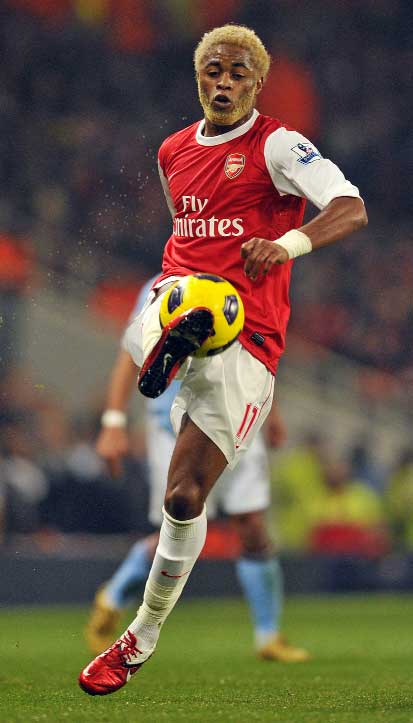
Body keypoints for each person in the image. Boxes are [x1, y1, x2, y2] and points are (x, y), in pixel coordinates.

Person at [79, 23, 367, 696]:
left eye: (238, 73)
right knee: (188, 297)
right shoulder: (173, 151)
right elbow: (186, 235)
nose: (224, 82)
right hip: (180, 291)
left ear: (257, 83)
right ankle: (179, 333)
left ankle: (139, 636)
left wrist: (287, 245)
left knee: (183, 499)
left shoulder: (278, 145)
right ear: (198, 77)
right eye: (214, 70)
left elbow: (351, 207)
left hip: (252, 340)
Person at [85, 278, 309, 664]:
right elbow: (130, 355)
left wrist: (273, 412)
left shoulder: (241, 279)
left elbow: (257, 350)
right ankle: (115, 593)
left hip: (238, 414)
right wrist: (114, 421)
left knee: (253, 525)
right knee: (177, 526)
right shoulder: (162, 285)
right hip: (173, 425)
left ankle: (268, 635)